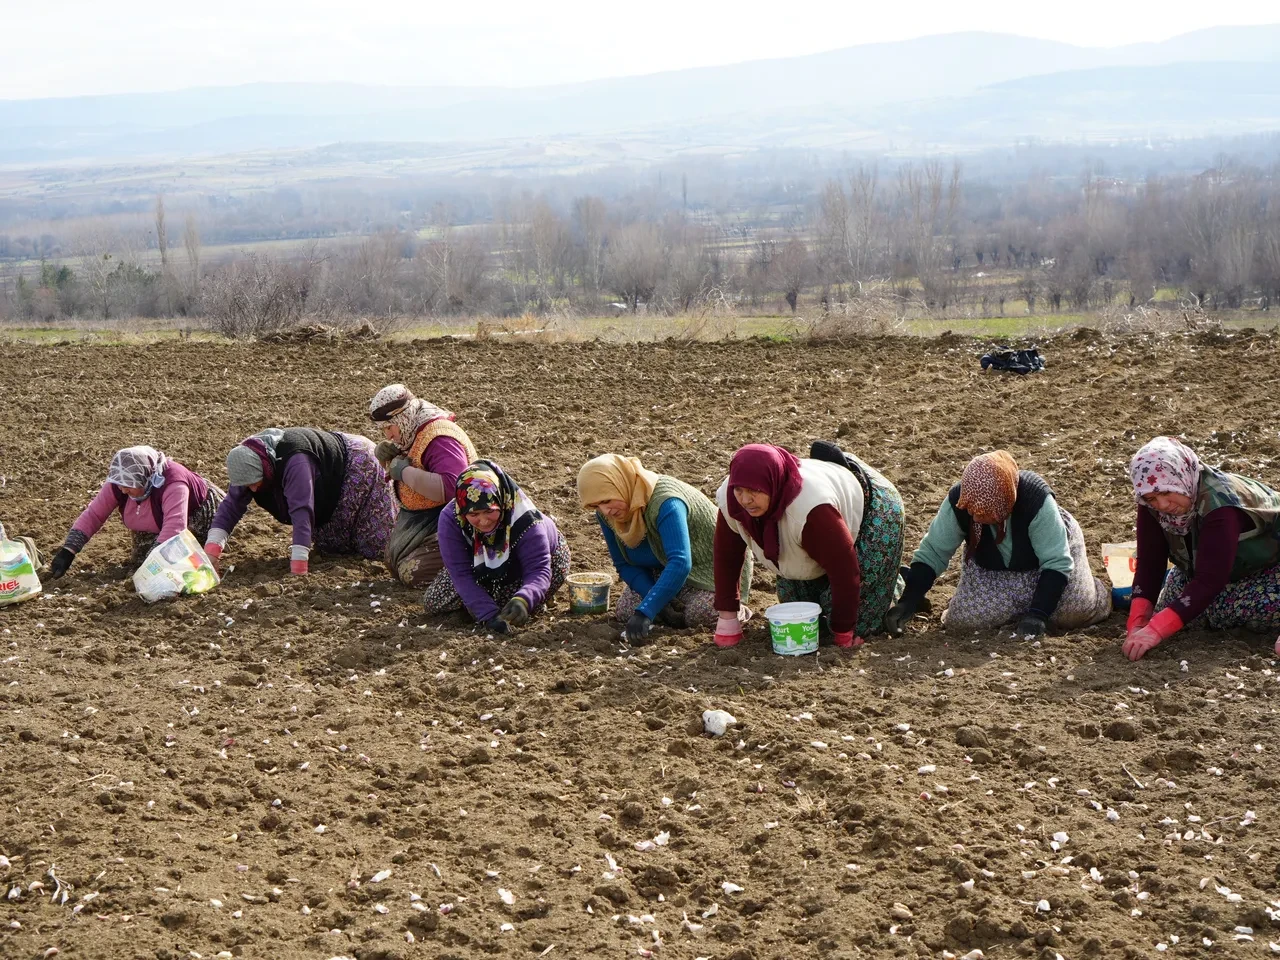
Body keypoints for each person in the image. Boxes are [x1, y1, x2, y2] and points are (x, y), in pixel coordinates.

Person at [884, 451, 1111, 637]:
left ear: (1005, 501)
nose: (976, 517)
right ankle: (1018, 606)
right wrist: (908, 601)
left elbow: (1056, 562)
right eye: (972, 511)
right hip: (994, 565)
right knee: (964, 623)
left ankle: (1098, 592)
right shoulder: (961, 501)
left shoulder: (1036, 501)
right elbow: (933, 552)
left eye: (985, 512)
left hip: (1048, 565)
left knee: (1074, 612)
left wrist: (1038, 615)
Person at [713, 441, 905, 648]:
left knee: (862, 621)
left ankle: (897, 584)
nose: (745, 500)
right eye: (739, 490)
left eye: (754, 491)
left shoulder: (812, 510)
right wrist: (727, 621)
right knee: (797, 605)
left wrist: (843, 634)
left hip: (875, 507)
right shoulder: (731, 501)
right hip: (816, 527)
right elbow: (727, 557)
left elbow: (845, 570)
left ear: (772, 483)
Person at [1124, 436, 1280, 661]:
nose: (1162, 505)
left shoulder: (1220, 505)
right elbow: (1150, 563)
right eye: (1151, 498)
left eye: (1166, 492)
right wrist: (1137, 623)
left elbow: (1210, 580)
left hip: (1268, 565)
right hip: (1216, 566)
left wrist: (1156, 630)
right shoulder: (1151, 503)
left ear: (1181, 476)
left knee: (1227, 610)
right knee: (1178, 605)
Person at [577, 453, 751, 645]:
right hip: (661, 568)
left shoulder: (666, 502)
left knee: (700, 614)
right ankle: (670, 603)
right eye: (596, 505)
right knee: (626, 610)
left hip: (710, 571)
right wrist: (655, 601)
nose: (605, 510)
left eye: (607, 500)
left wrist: (647, 610)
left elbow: (680, 562)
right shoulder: (607, 516)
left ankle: (738, 610)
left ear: (620, 484)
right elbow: (623, 564)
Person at [205, 427, 396, 575]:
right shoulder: (245, 465)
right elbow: (230, 507)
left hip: (358, 466)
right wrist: (211, 554)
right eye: (248, 486)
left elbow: (301, 510)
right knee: (333, 548)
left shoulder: (295, 461)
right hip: (326, 486)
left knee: (375, 546)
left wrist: (298, 568)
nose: (253, 490)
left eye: (256, 483)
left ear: (264, 468)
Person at [423, 461, 570, 632]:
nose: (484, 521)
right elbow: (460, 573)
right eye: (473, 514)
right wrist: (489, 616)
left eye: (489, 511)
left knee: (512, 608)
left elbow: (539, 570)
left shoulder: (526, 521)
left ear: (501, 500)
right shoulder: (451, 519)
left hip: (531, 563)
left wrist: (524, 600)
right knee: (434, 601)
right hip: (478, 563)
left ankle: (532, 599)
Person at [47, 446, 224, 579]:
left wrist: (153, 566)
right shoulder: (120, 481)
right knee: (140, 562)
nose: (123, 490)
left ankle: (200, 543)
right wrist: (68, 550)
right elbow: (94, 514)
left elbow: (174, 527)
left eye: (129, 486)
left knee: (180, 563)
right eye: (120, 485)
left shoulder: (173, 483)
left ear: (146, 478)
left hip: (198, 513)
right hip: (154, 517)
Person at [369, 384, 478, 587]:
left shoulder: (441, 439)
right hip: (426, 518)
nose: (388, 436)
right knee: (393, 560)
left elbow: (452, 487)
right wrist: (388, 456)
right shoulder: (413, 430)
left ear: (402, 417)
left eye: (389, 427)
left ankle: (476, 566)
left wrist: (404, 472)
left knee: (413, 571)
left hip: (457, 519)